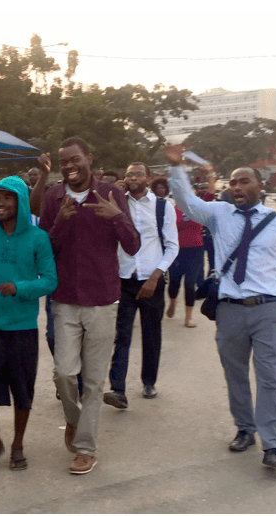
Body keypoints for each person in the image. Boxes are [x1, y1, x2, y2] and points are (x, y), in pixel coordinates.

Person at [165, 144, 276, 470]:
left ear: (259, 187)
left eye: (244, 182)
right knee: (235, 373)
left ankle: (273, 444)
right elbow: (186, 201)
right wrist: (176, 168)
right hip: (230, 309)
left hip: (270, 308)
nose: (236, 187)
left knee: (271, 377)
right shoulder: (218, 213)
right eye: (233, 183)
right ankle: (245, 428)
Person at [39, 136, 140, 474]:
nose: (69, 166)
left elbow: (133, 245)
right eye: (63, 161)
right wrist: (61, 221)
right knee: (64, 373)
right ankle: (74, 419)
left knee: (95, 381)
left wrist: (116, 217)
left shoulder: (112, 194)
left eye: (74, 160)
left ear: (88, 159)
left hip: (102, 299)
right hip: (65, 299)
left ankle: (85, 447)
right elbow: (47, 250)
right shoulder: (55, 197)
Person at [0, 176, 57, 471]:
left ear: (21, 201)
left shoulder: (38, 237)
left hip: (23, 327)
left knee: (22, 390)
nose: (0, 203)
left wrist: (20, 287)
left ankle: (17, 443)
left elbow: (50, 281)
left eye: (8, 198)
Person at [104, 163, 178, 410]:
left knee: (151, 334)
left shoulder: (162, 206)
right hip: (125, 280)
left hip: (151, 280)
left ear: (147, 178)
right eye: (128, 174)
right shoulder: (117, 203)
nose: (132, 178)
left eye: (138, 174)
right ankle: (118, 389)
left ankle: (149, 381)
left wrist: (155, 277)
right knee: (122, 334)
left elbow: (172, 246)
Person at [166, 182, 206, 328]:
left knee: (190, 284)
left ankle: (188, 317)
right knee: (174, 282)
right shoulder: (171, 210)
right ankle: (172, 302)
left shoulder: (199, 210)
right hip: (177, 251)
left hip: (195, 250)